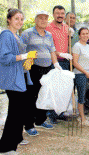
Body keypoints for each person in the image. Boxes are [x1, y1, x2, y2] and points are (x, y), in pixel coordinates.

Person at [21, 10, 61, 136]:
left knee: (44, 95)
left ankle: (40, 120)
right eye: (41, 18)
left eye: (45, 18)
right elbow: (21, 50)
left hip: (47, 68)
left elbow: (52, 51)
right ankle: (29, 125)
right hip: (32, 69)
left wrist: (56, 64)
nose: (44, 20)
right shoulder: (27, 33)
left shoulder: (49, 35)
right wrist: (25, 66)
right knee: (30, 97)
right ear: (35, 20)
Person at [0, 8, 33, 153]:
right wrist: (23, 56)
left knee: (20, 111)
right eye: (16, 19)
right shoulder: (6, 35)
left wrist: (27, 62)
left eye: (21, 19)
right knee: (14, 113)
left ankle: (17, 137)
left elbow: (17, 58)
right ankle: (6, 147)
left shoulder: (16, 36)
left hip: (20, 77)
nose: (20, 22)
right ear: (9, 19)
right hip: (12, 80)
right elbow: (4, 58)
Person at [46, 5, 73, 124]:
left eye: (62, 13)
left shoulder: (67, 27)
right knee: (53, 89)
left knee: (63, 88)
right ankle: (51, 114)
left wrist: (71, 34)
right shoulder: (48, 28)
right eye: (57, 13)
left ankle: (60, 112)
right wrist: (60, 53)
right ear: (53, 14)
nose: (60, 15)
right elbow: (46, 47)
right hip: (53, 62)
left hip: (65, 62)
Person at [72, 27, 89, 126]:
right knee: (81, 97)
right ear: (79, 35)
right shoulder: (77, 46)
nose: (85, 35)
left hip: (87, 74)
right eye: (83, 34)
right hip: (80, 74)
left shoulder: (87, 46)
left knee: (84, 96)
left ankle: (81, 116)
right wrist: (85, 72)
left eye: (87, 33)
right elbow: (75, 63)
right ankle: (82, 120)